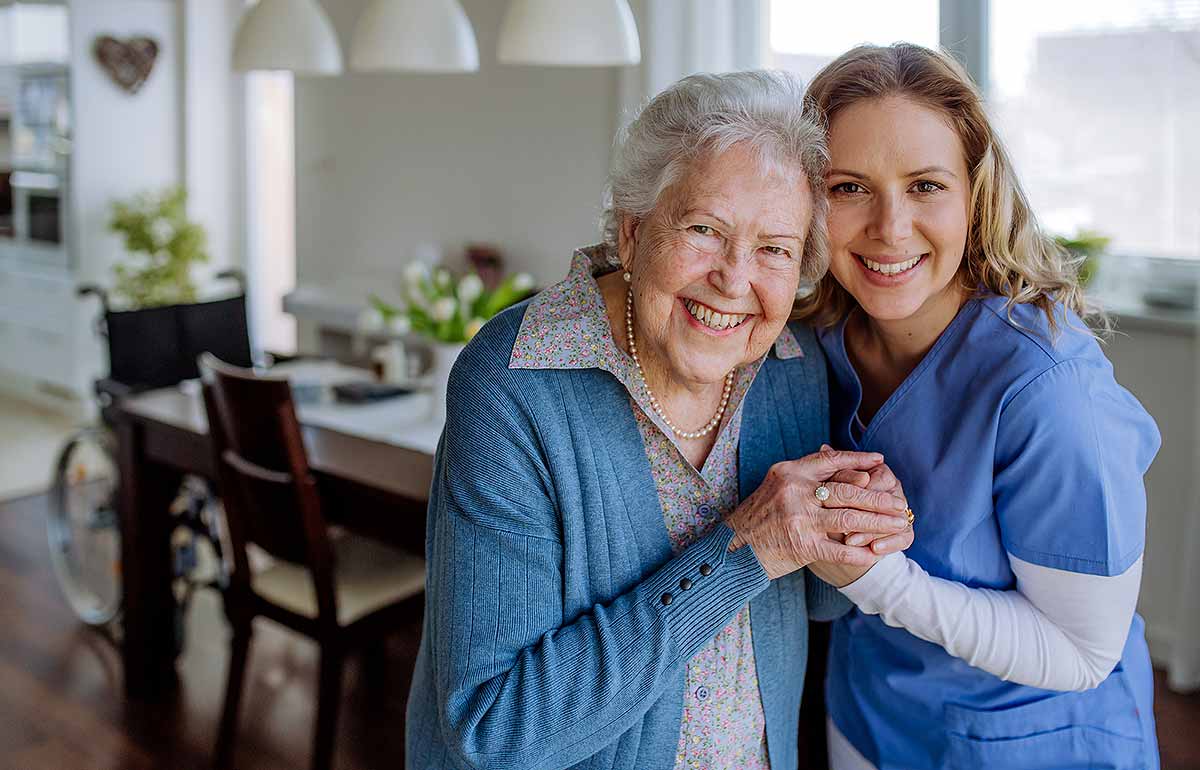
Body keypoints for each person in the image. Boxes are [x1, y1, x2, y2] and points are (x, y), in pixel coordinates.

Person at [404, 70, 914, 770]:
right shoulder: (515, 382)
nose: (735, 280)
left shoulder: (792, 367)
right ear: (635, 230)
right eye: (705, 229)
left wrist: (849, 524)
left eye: (774, 249)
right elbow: (493, 730)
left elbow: (814, 604)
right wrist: (746, 547)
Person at [795, 43, 1162, 770]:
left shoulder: (1050, 391)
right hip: (868, 716)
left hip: (1030, 742)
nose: (890, 228)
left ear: (975, 193)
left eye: (926, 185)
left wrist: (877, 580)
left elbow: (1082, 652)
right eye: (847, 188)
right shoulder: (814, 342)